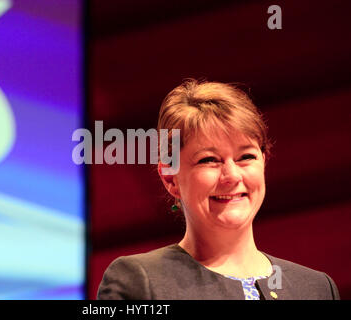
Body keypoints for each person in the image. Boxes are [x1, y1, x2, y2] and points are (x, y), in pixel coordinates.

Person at [97, 79, 340, 300]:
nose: (232, 176)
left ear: (264, 162)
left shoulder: (317, 289)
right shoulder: (139, 282)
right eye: (209, 160)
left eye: (246, 156)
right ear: (170, 178)